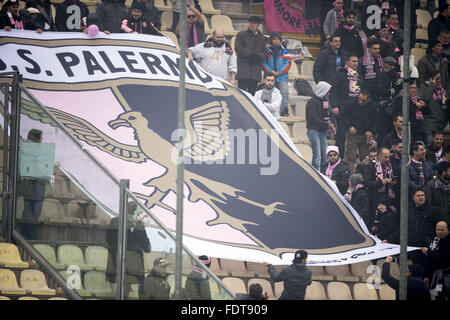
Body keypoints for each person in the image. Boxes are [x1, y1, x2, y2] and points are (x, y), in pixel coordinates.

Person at [330, 53, 362, 156]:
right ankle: (340, 156)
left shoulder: (359, 75)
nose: (355, 63)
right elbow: (334, 91)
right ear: (347, 62)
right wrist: (335, 105)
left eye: (357, 61)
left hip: (356, 108)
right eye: (353, 61)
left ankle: (352, 156)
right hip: (343, 107)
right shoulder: (340, 74)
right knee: (341, 134)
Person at [19, 129, 48, 240]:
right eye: (41, 138)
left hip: (28, 183)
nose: (42, 140)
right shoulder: (36, 151)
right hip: (35, 183)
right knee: (34, 211)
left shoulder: (23, 148)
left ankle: (28, 235)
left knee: (28, 210)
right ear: (36, 139)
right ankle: (30, 237)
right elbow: (40, 167)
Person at [344, 90, 376, 173]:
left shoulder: (373, 106)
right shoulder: (351, 103)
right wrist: (349, 126)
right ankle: (350, 176)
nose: (360, 102)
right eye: (359, 99)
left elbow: (376, 120)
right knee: (350, 157)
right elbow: (344, 116)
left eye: (363, 100)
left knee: (365, 158)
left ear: (368, 99)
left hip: (365, 135)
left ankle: (364, 175)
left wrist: (371, 131)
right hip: (353, 134)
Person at [306, 81, 334, 170]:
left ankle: (324, 174)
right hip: (314, 130)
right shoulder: (312, 102)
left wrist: (331, 123)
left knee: (325, 156)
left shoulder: (325, 101)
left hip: (322, 130)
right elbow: (312, 118)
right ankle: (315, 174)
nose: (328, 94)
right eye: (327, 91)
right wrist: (326, 124)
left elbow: (329, 115)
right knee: (317, 155)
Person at [362, 147, 397, 221]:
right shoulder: (369, 166)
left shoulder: (390, 166)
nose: (387, 159)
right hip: (375, 197)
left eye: (389, 157)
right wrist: (381, 183)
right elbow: (367, 182)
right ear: (379, 156)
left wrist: (392, 182)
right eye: (385, 157)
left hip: (388, 196)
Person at [235, 16, 266, 96]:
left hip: (255, 71)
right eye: (250, 22)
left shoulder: (263, 38)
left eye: (254, 23)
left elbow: (265, 53)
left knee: (252, 95)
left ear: (258, 25)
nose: (251, 25)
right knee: (241, 95)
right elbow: (238, 48)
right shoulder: (241, 35)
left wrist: (259, 57)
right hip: (243, 70)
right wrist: (250, 55)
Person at [262, 32, 291, 117]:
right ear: (271, 40)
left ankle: (284, 112)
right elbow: (263, 63)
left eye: (278, 39)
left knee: (284, 94)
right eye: (274, 39)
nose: (276, 41)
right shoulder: (266, 51)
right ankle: (268, 112)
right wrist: (271, 72)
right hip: (269, 77)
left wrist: (279, 72)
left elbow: (288, 63)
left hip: (282, 77)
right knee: (268, 93)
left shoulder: (285, 51)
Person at [420, 220, 450, 299]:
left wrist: (428, 252)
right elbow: (430, 260)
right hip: (437, 275)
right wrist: (426, 275)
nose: (439, 232)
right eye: (438, 229)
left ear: (447, 230)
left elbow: (442, 258)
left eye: (442, 230)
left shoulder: (447, 241)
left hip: (446, 275)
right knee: (438, 296)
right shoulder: (435, 240)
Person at [420, 71, 448, 147]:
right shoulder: (424, 87)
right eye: (437, 78)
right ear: (430, 78)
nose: (439, 80)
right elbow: (425, 98)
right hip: (429, 125)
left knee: (437, 150)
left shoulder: (441, 90)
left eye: (440, 78)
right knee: (430, 147)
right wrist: (432, 85)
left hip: (439, 126)